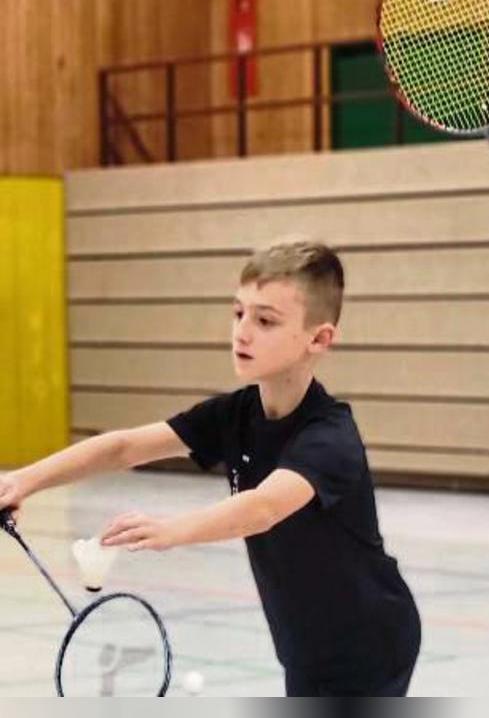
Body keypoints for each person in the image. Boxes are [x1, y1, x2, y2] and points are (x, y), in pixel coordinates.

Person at [0, 240, 421, 697]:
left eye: (265, 320)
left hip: (368, 645)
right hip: (305, 645)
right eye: (238, 313)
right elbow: (125, 447)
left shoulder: (329, 437)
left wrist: (170, 530)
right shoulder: (235, 414)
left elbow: (263, 507)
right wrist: (24, 480)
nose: (242, 332)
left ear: (318, 339)